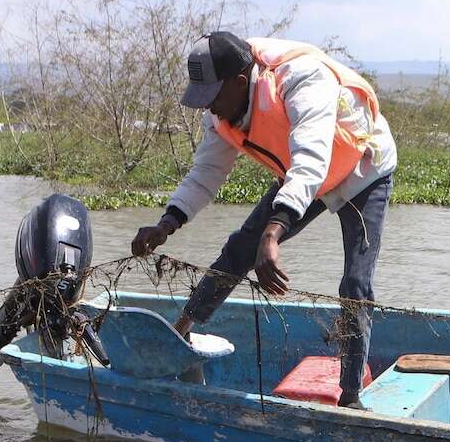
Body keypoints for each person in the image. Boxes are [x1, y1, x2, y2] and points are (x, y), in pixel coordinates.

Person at [131, 31, 396, 408]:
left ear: (240, 82)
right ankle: (181, 333)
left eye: (213, 98)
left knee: (355, 282)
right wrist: (166, 223)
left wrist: (273, 233)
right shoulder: (222, 112)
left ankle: (350, 398)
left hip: (362, 168)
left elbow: (310, 162)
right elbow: (206, 172)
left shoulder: (302, 80)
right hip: (307, 176)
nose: (211, 109)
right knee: (240, 248)